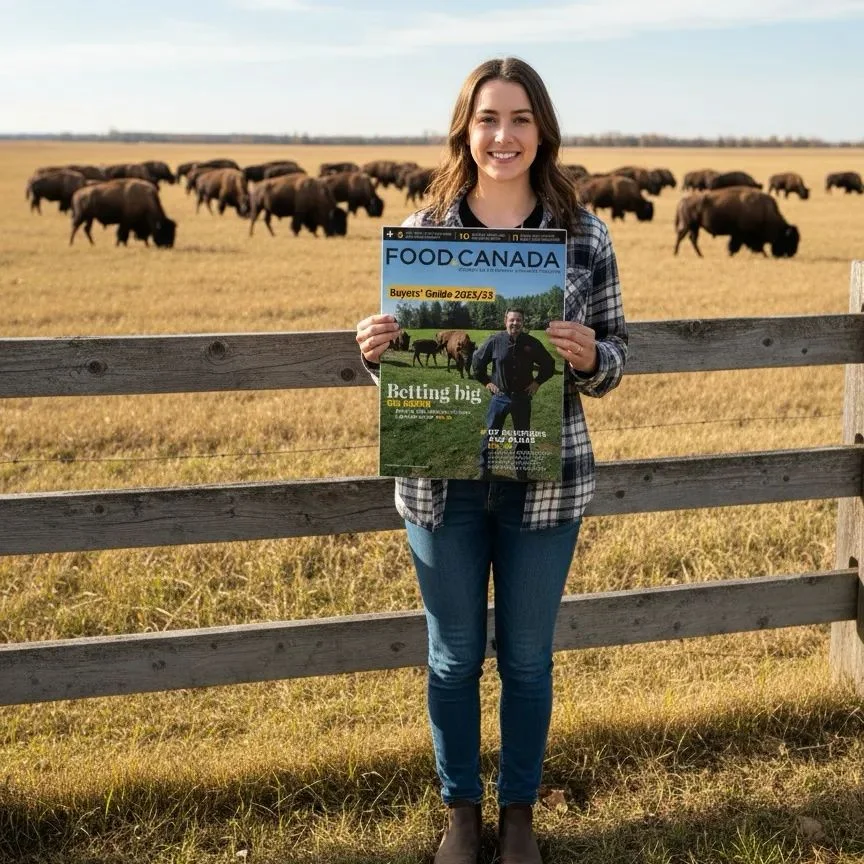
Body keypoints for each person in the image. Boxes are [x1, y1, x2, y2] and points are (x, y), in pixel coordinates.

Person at [356, 57, 628, 864]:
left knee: (528, 659)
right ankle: (461, 814)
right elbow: (407, 368)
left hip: (545, 484)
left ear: (540, 130)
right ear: (465, 130)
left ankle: (519, 818)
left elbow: (619, 358)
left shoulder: (585, 234)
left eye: (518, 119)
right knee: (452, 657)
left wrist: (587, 357)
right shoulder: (424, 230)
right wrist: (377, 351)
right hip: (444, 483)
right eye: (487, 119)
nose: (502, 136)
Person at [472, 307, 556, 481]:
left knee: (523, 437)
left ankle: (522, 474)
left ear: (523, 323)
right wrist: (486, 382)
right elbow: (477, 362)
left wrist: (537, 382)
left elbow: (549, 364)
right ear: (506, 321)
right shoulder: (494, 341)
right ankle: (485, 471)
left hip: (522, 398)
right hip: (499, 397)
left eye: (519, 320)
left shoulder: (532, 343)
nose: (515, 323)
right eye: (512, 320)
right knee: (491, 435)